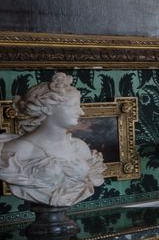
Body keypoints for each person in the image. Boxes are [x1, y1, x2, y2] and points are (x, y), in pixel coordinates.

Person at [0, 73, 106, 209]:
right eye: (73, 106)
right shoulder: (16, 151)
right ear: (47, 108)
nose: (81, 112)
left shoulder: (80, 148)